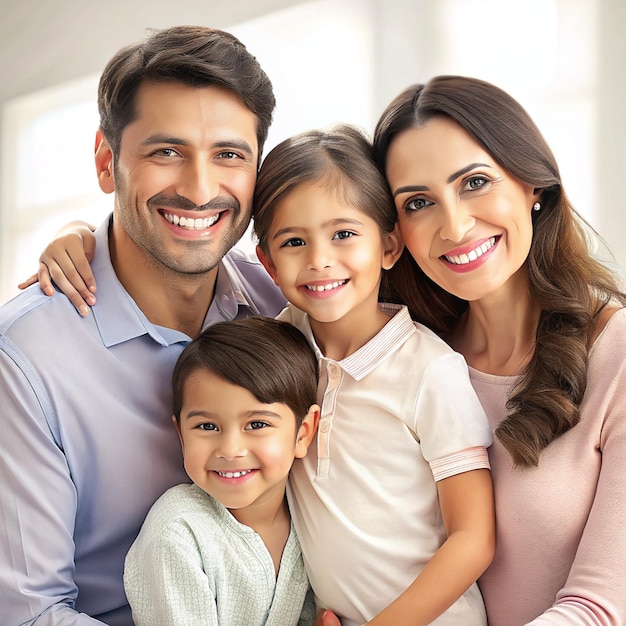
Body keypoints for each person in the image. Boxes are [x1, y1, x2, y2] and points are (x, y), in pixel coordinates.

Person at [0, 25, 285, 625]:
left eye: (229, 155)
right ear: (108, 162)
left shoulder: (283, 303)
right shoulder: (25, 358)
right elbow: (30, 614)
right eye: (166, 152)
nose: (201, 189)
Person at [373, 75, 626, 624]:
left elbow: (601, 608)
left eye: (475, 182)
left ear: (533, 187)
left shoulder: (618, 354)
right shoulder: (406, 358)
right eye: (418, 202)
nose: (455, 225)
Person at [253, 125, 495, 625]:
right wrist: (78, 235)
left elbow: (473, 539)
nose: (320, 260)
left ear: (389, 246)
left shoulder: (430, 370)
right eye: (294, 241)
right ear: (268, 264)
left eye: (343, 234)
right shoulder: (276, 348)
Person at [123, 316, 318, 625]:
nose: (230, 449)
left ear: (303, 433)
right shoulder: (177, 531)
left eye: (257, 424)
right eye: (207, 426)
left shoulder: (314, 518)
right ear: (181, 434)